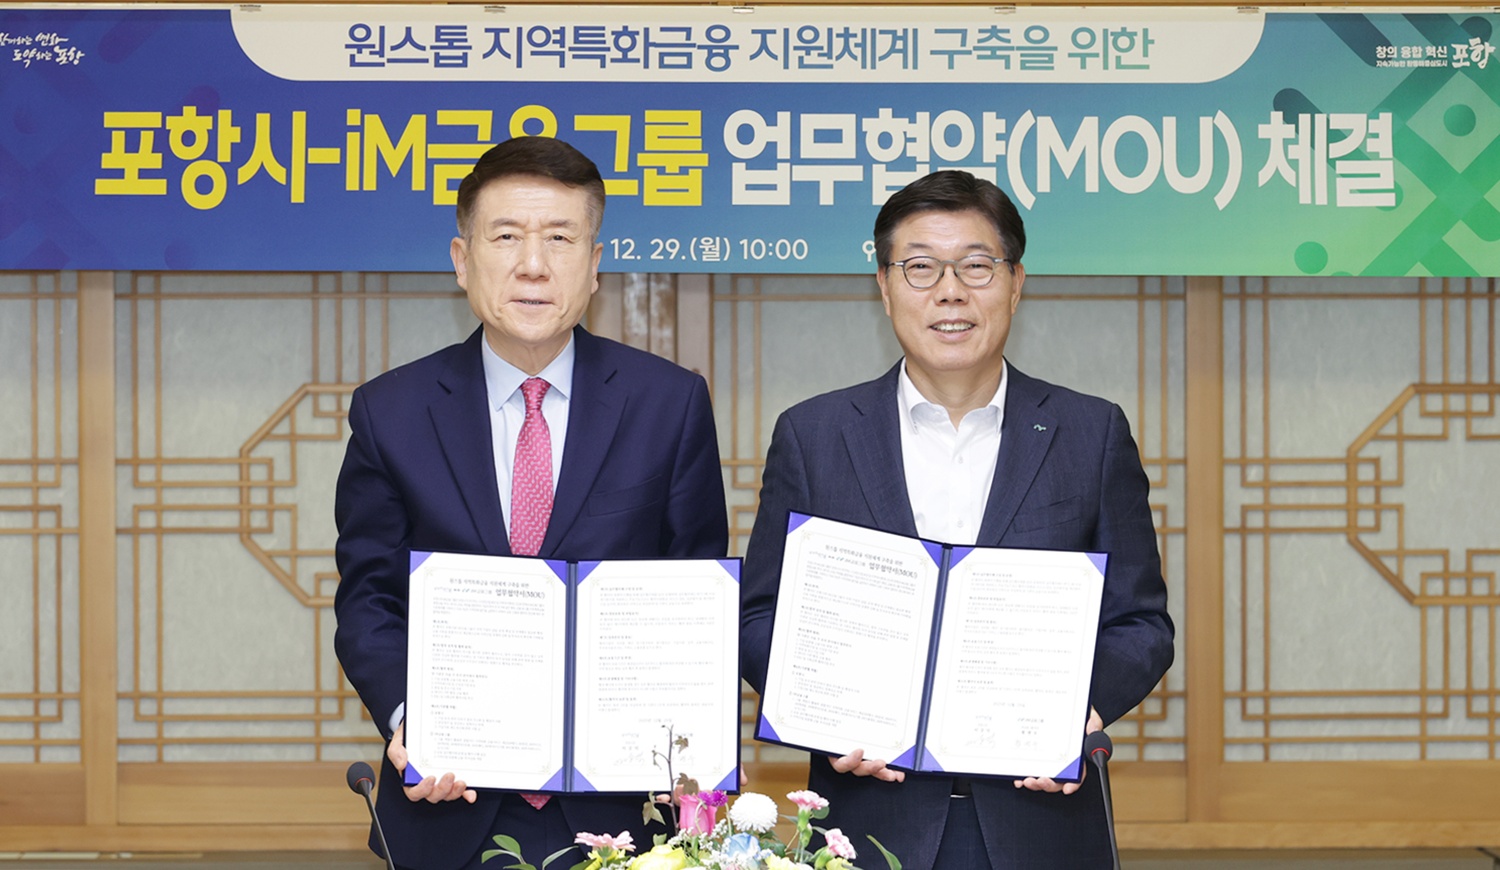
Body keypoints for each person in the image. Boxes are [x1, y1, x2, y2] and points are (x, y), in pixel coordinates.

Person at [739, 170, 1174, 870]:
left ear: (1016, 283)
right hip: (869, 822)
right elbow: (760, 613)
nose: (950, 292)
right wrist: (822, 711)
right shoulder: (814, 435)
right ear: (884, 287)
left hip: (1040, 820)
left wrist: (1079, 711)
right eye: (920, 268)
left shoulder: (1091, 433)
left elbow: (1141, 622)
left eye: (976, 266)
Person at [334, 136, 728, 870]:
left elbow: (695, 596)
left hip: (626, 810)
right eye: (507, 237)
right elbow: (369, 601)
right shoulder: (391, 411)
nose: (534, 265)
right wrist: (413, 719)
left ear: (595, 263)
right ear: (462, 259)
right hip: (450, 800)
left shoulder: (669, 404)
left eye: (560, 238)